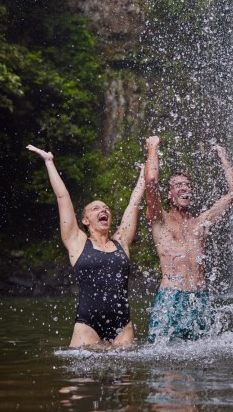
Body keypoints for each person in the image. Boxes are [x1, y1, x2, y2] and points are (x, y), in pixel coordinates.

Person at [26, 145, 145, 348]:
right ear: (86, 220)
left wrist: (144, 173)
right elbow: (63, 198)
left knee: (125, 378)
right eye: (96, 208)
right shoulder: (77, 241)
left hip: (123, 326)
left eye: (106, 208)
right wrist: (49, 162)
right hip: (87, 325)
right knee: (81, 379)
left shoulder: (121, 241)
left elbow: (133, 204)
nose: (103, 210)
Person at [144, 136, 233, 342]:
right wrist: (152, 148)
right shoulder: (160, 220)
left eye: (187, 185)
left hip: (199, 298)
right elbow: (151, 182)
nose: (184, 188)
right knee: (163, 362)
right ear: (169, 194)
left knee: (200, 364)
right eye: (178, 185)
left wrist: (223, 158)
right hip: (171, 298)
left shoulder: (201, 224)